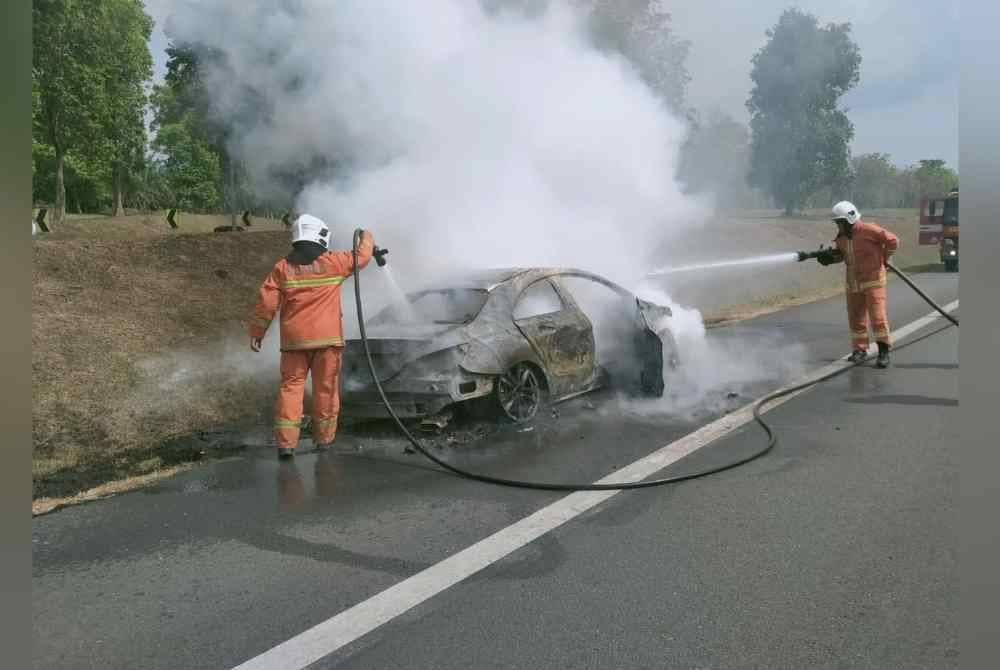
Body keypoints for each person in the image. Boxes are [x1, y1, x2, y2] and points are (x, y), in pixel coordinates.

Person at [249, 213, 375, 457]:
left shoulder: (283, 268)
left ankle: (286, 444)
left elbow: (267, 302)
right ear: (321, 237)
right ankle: (324, 440)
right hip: (327, 342)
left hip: (294, 343)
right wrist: (366, 235)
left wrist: (257, 331)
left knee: (291, 389)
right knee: (325, 389)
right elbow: (363, 256)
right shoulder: (334, 262)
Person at [815, 201, 899, 368]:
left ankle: (883, 351)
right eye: (837, 222)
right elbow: (843, 255)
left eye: (840, 222)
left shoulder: (870, 230)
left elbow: (893, 241)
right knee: (856, 318)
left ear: (850, 219)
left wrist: (885, 258)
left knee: (878, 318)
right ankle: (859, 350)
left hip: (873, 280)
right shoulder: (841, 238)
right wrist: (830, 259)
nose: (838, 225)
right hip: (853, 283)